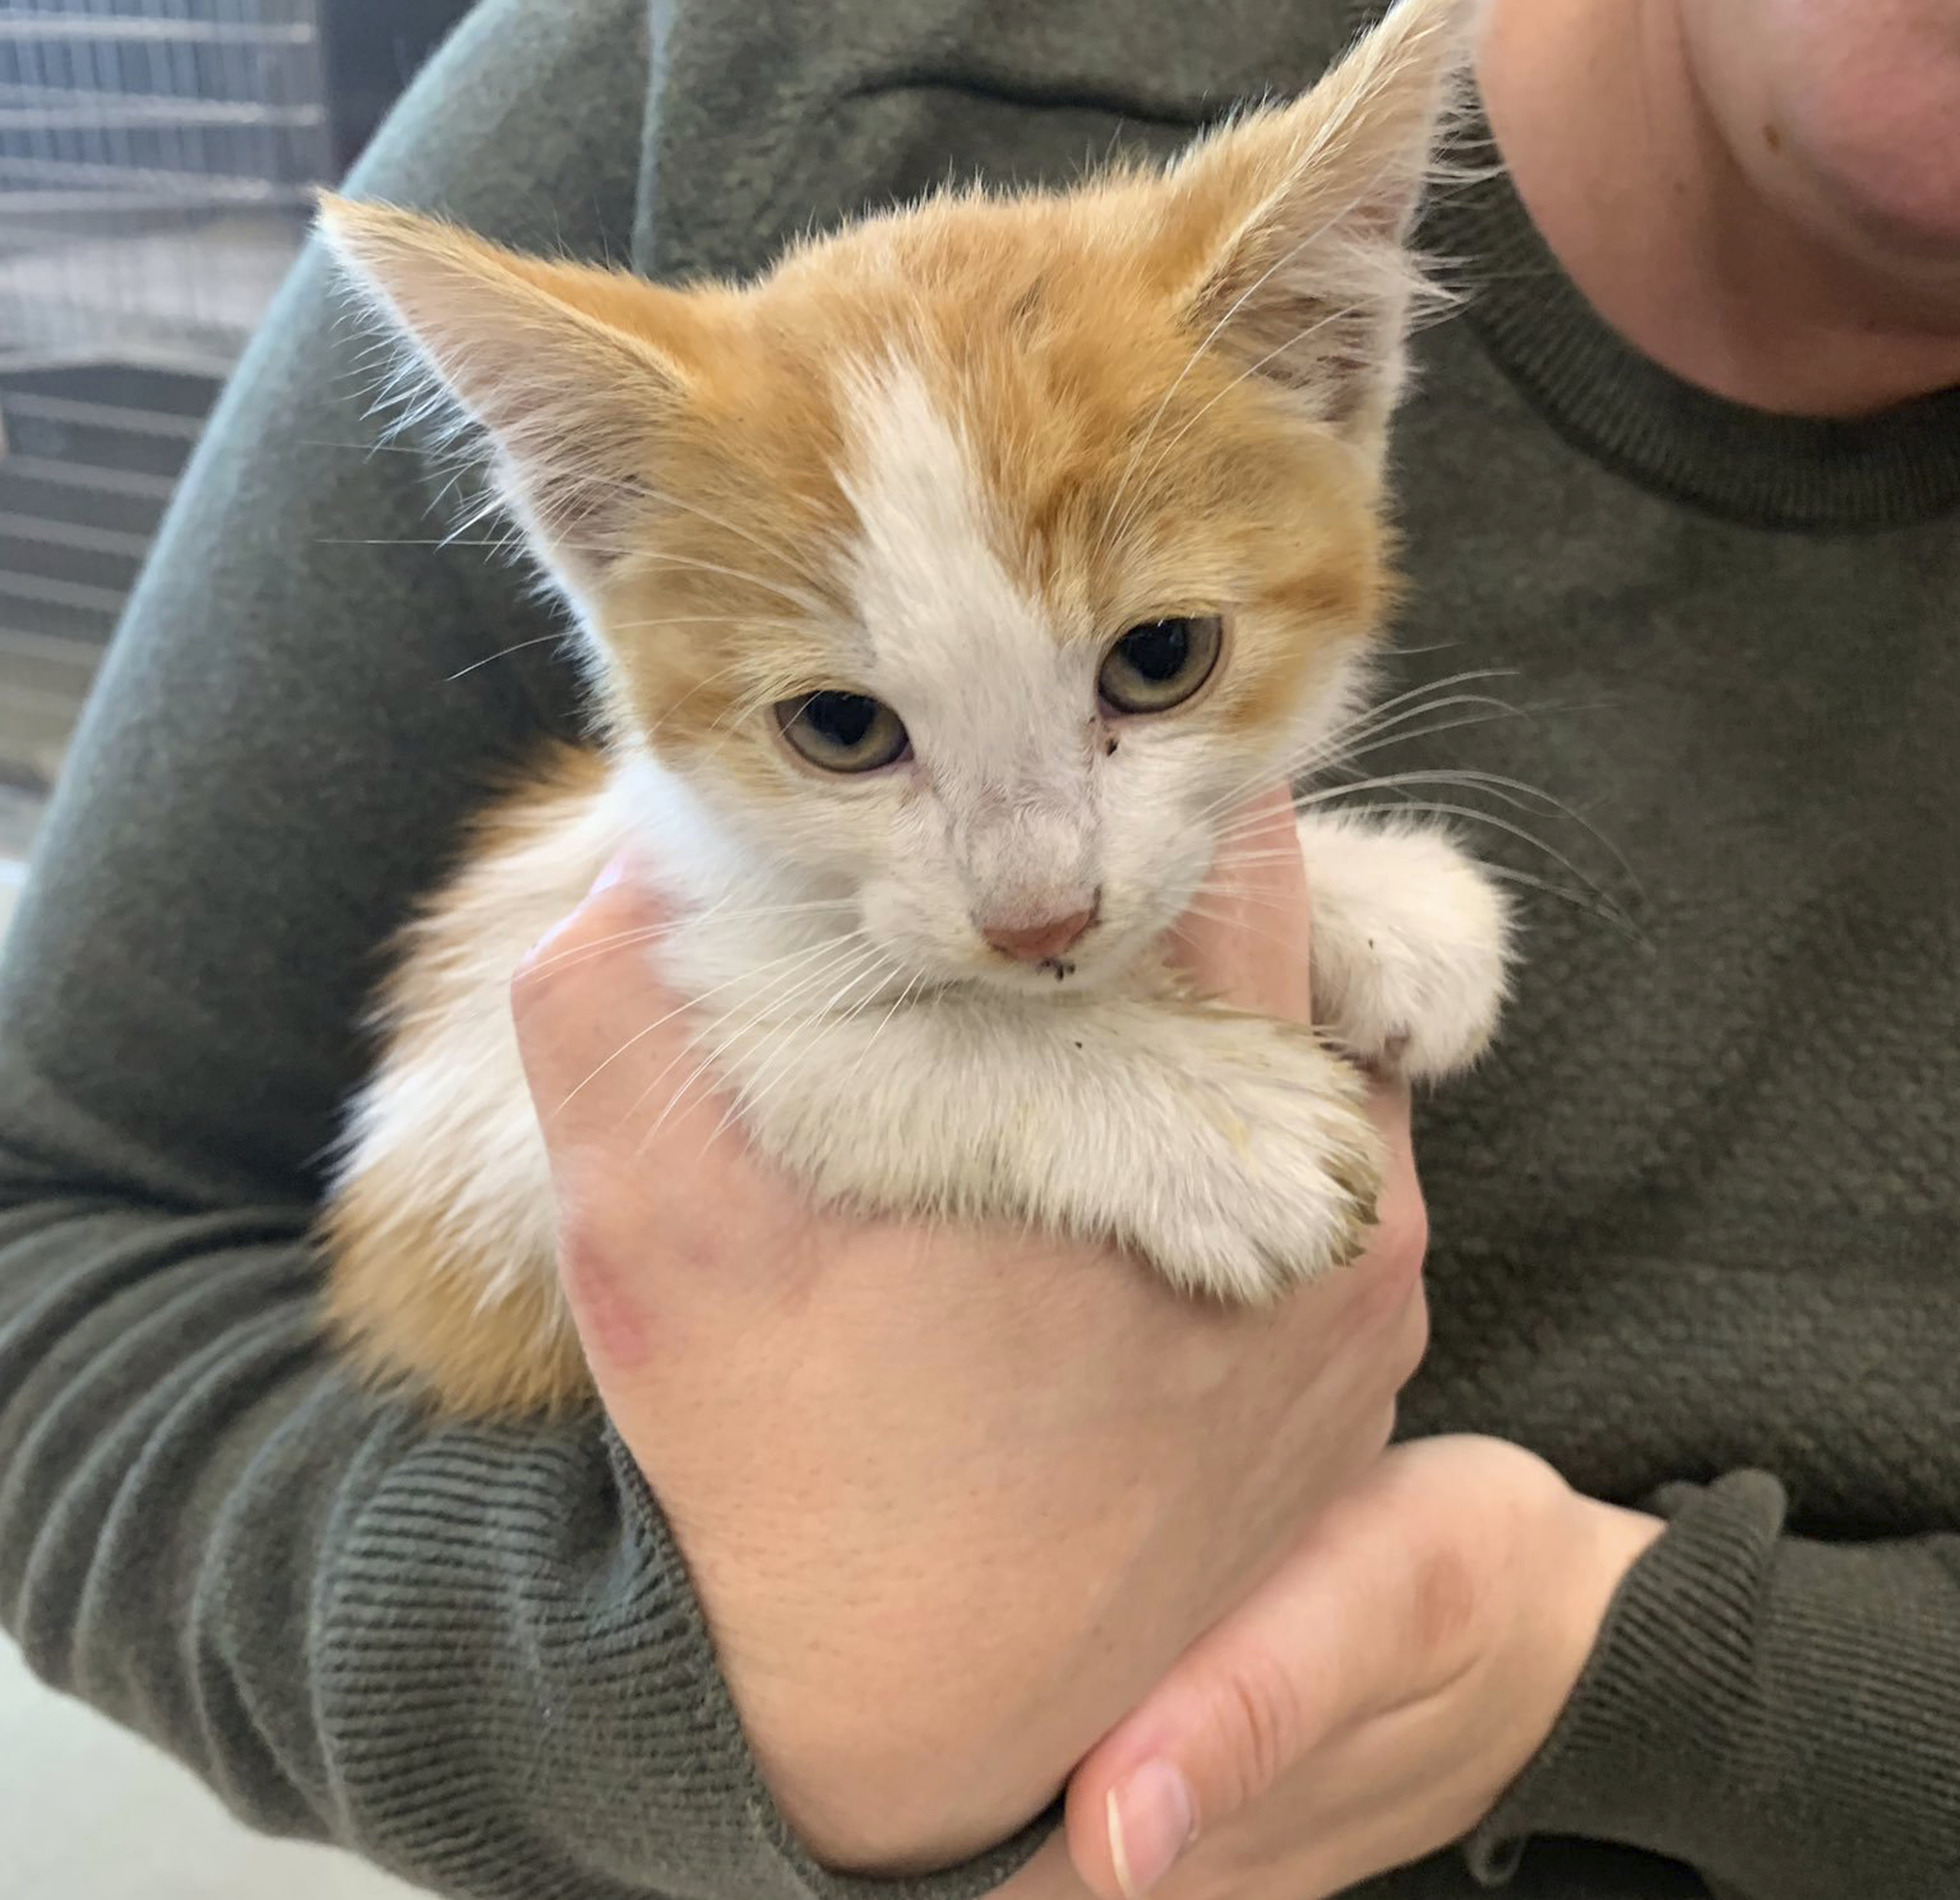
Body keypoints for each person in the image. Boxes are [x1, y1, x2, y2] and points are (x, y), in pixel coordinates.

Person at [0, 1, 1952, 1897]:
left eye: (1153, 663)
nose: (1039, 899)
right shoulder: (728, 73)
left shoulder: (1234, 368)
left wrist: (1595, 1657)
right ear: (585, 534)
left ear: (1337, 368)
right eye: (845, 727)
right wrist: (785, 1722)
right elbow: (761, 1065)